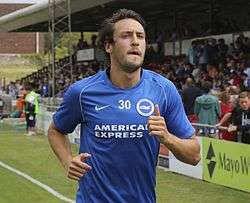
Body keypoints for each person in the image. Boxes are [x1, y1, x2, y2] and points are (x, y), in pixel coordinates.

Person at [48, 9, 200, 203]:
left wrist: (167, 138)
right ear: (108, 45)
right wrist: (67, 160)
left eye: (140, 36)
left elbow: (194, 154)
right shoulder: (82, 92)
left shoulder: (164, 89)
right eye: (126, 36)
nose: (135, 41)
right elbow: (55, 130)